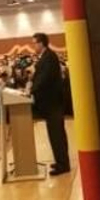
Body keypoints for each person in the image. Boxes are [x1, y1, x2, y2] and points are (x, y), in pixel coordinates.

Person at [30, 32, 71, 175]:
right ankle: (60, 162)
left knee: (57, 134)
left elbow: (44, 78)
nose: (33, 46)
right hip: (50, 104)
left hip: (53, 103)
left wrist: (31, 91)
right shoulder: (46, 57)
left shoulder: (49, 57)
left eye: (34, 43)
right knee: (55, 134)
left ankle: (63, 165)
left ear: (41, 43)